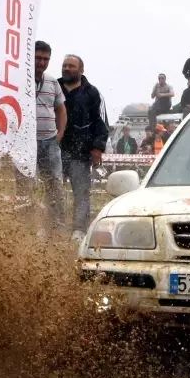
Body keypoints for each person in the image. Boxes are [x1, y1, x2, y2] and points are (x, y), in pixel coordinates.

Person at [59, 54, 109, 240]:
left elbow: (101, 121)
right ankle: (53, 226)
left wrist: (98, 147)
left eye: (71, 66)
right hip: (55, 150)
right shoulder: (54, 87)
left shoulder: (92, 93)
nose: (67, 68)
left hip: (80, 152)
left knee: (81, 192)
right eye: (65, 65)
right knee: (53, 190)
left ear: (81, 70)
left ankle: (79, 230)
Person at [24, 40, 67, 229]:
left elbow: (61, 109)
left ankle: (56, 225)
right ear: (29, 57)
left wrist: (60, 134)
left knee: (55, 183)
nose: (41, 62)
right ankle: (27, 226)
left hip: (50, 141)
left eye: (45, 59)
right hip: (26, 142)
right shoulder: (18, 80)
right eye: (38, 58)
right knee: (26, 184)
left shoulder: (52, 82)